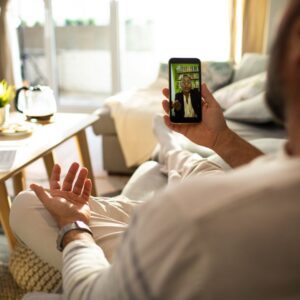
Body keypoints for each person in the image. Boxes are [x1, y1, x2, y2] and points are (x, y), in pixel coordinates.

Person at [9, 1, 300, 299]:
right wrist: (221, 138)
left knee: (26, 211)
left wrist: (74, 224)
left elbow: (90, 294)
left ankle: (168, 149)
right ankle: (169, 146)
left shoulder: (187, 214)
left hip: (177, 241)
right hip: (181, 222)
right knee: (191, 167)